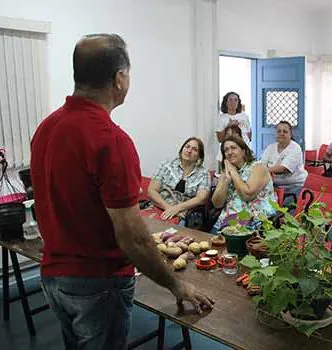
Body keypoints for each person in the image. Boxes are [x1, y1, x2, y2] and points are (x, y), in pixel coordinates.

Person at [30, 34, 213, 349]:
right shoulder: (111, 141)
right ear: (119, 78)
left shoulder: (46, 128)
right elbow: (133, 236)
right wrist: (175, 285)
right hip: (96, 281)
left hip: (53, 275)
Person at [212, 135, 277, 232]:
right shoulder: (226, 172)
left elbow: (247, 194)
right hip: (227, 221)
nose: (229, 152)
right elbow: (217, 203)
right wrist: (226, 181)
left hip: (255, 220)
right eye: (226, 150)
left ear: (243, 151)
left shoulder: (258, 167)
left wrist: (233, 173)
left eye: (233, 148)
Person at [148, 137, 210, 222]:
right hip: (161, 207)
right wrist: (169, 208)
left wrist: (177, 208)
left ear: (199, 156)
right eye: (187, 147)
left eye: (194, 149)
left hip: (185, 214)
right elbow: (152, 190)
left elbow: (202, 198)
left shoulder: (204, 173)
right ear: (181, 150)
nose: (189, 151)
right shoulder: (166, 165)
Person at [260, 121, 307, 196]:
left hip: (294, 187)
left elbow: (283, 169)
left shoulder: (295, 148)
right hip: (273, 186)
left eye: (285, 131)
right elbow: (262, 164)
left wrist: (263, 170)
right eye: (279, 131)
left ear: (290, 134)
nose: (281, 133)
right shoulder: (270, 148)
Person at [215, 92, 252, 167]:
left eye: (235, 100)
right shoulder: (221, 118)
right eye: (230, 100)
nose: (233, 102)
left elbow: (249, 133)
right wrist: (228, 126)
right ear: (226, 102)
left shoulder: (244, 116)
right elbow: (219, 139)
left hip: (243, 147)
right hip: (228, 148)